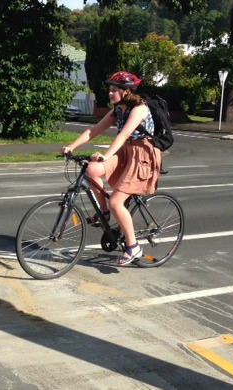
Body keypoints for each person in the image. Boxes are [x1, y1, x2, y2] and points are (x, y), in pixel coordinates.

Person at [61, 71, 162, 265]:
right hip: (126, 152)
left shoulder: (139, 109)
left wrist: (106, 155)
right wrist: (72, 146)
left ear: (126, 92)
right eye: (110, 89)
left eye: (114, 90)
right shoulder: (118, 110)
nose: (110, 93)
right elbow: (94, 130)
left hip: (143, 156)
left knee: (117, 201)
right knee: (92, 170)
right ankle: (104, 213)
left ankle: (133, 247)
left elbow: (123, 135)